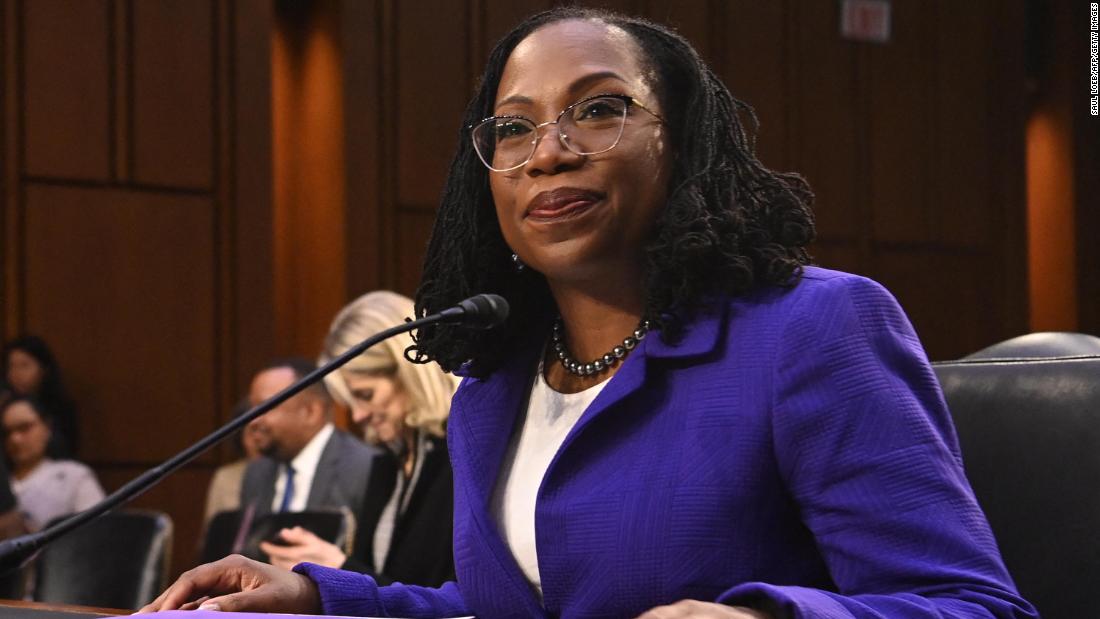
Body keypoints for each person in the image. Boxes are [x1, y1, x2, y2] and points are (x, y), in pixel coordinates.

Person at [140, 7, 1037, 618]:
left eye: (599, 110)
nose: (550, 153)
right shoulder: (494, 380)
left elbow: (974, 606)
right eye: (516, 128)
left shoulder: (812, 330)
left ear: (681, 142)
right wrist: (317, 594)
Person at [258, 291, 458, 588]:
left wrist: (338, 566)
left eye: (366, 396)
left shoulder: (458, 459)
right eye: (350, 403)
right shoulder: (388, 463)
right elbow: (380, 582)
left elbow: (447, 599)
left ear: (410, 374)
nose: (359, 416)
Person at [238, 358, 378, 520]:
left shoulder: (364, 468)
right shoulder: (257, 472)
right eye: (252, 408)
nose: (253, 420)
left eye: (265, 407)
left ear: (311, 412)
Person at [1, 396, 104, 532]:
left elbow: (99, 529)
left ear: (47, 427)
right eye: (7, 432)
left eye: (24, 428)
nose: (15, 439)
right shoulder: (4, 479)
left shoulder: (74, 476)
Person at [1, 336, 78, 459]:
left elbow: (67, 450)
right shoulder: (5, 405)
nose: (16, 374)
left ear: (44, 369)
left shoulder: (60, 407)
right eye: (11, 366)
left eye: (24, 366)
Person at [202, 399, 267, 526]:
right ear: (240, 436)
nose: (259, 439)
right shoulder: (226, 477)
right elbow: (212, 534)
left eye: (265, 431)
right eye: (253, 430)